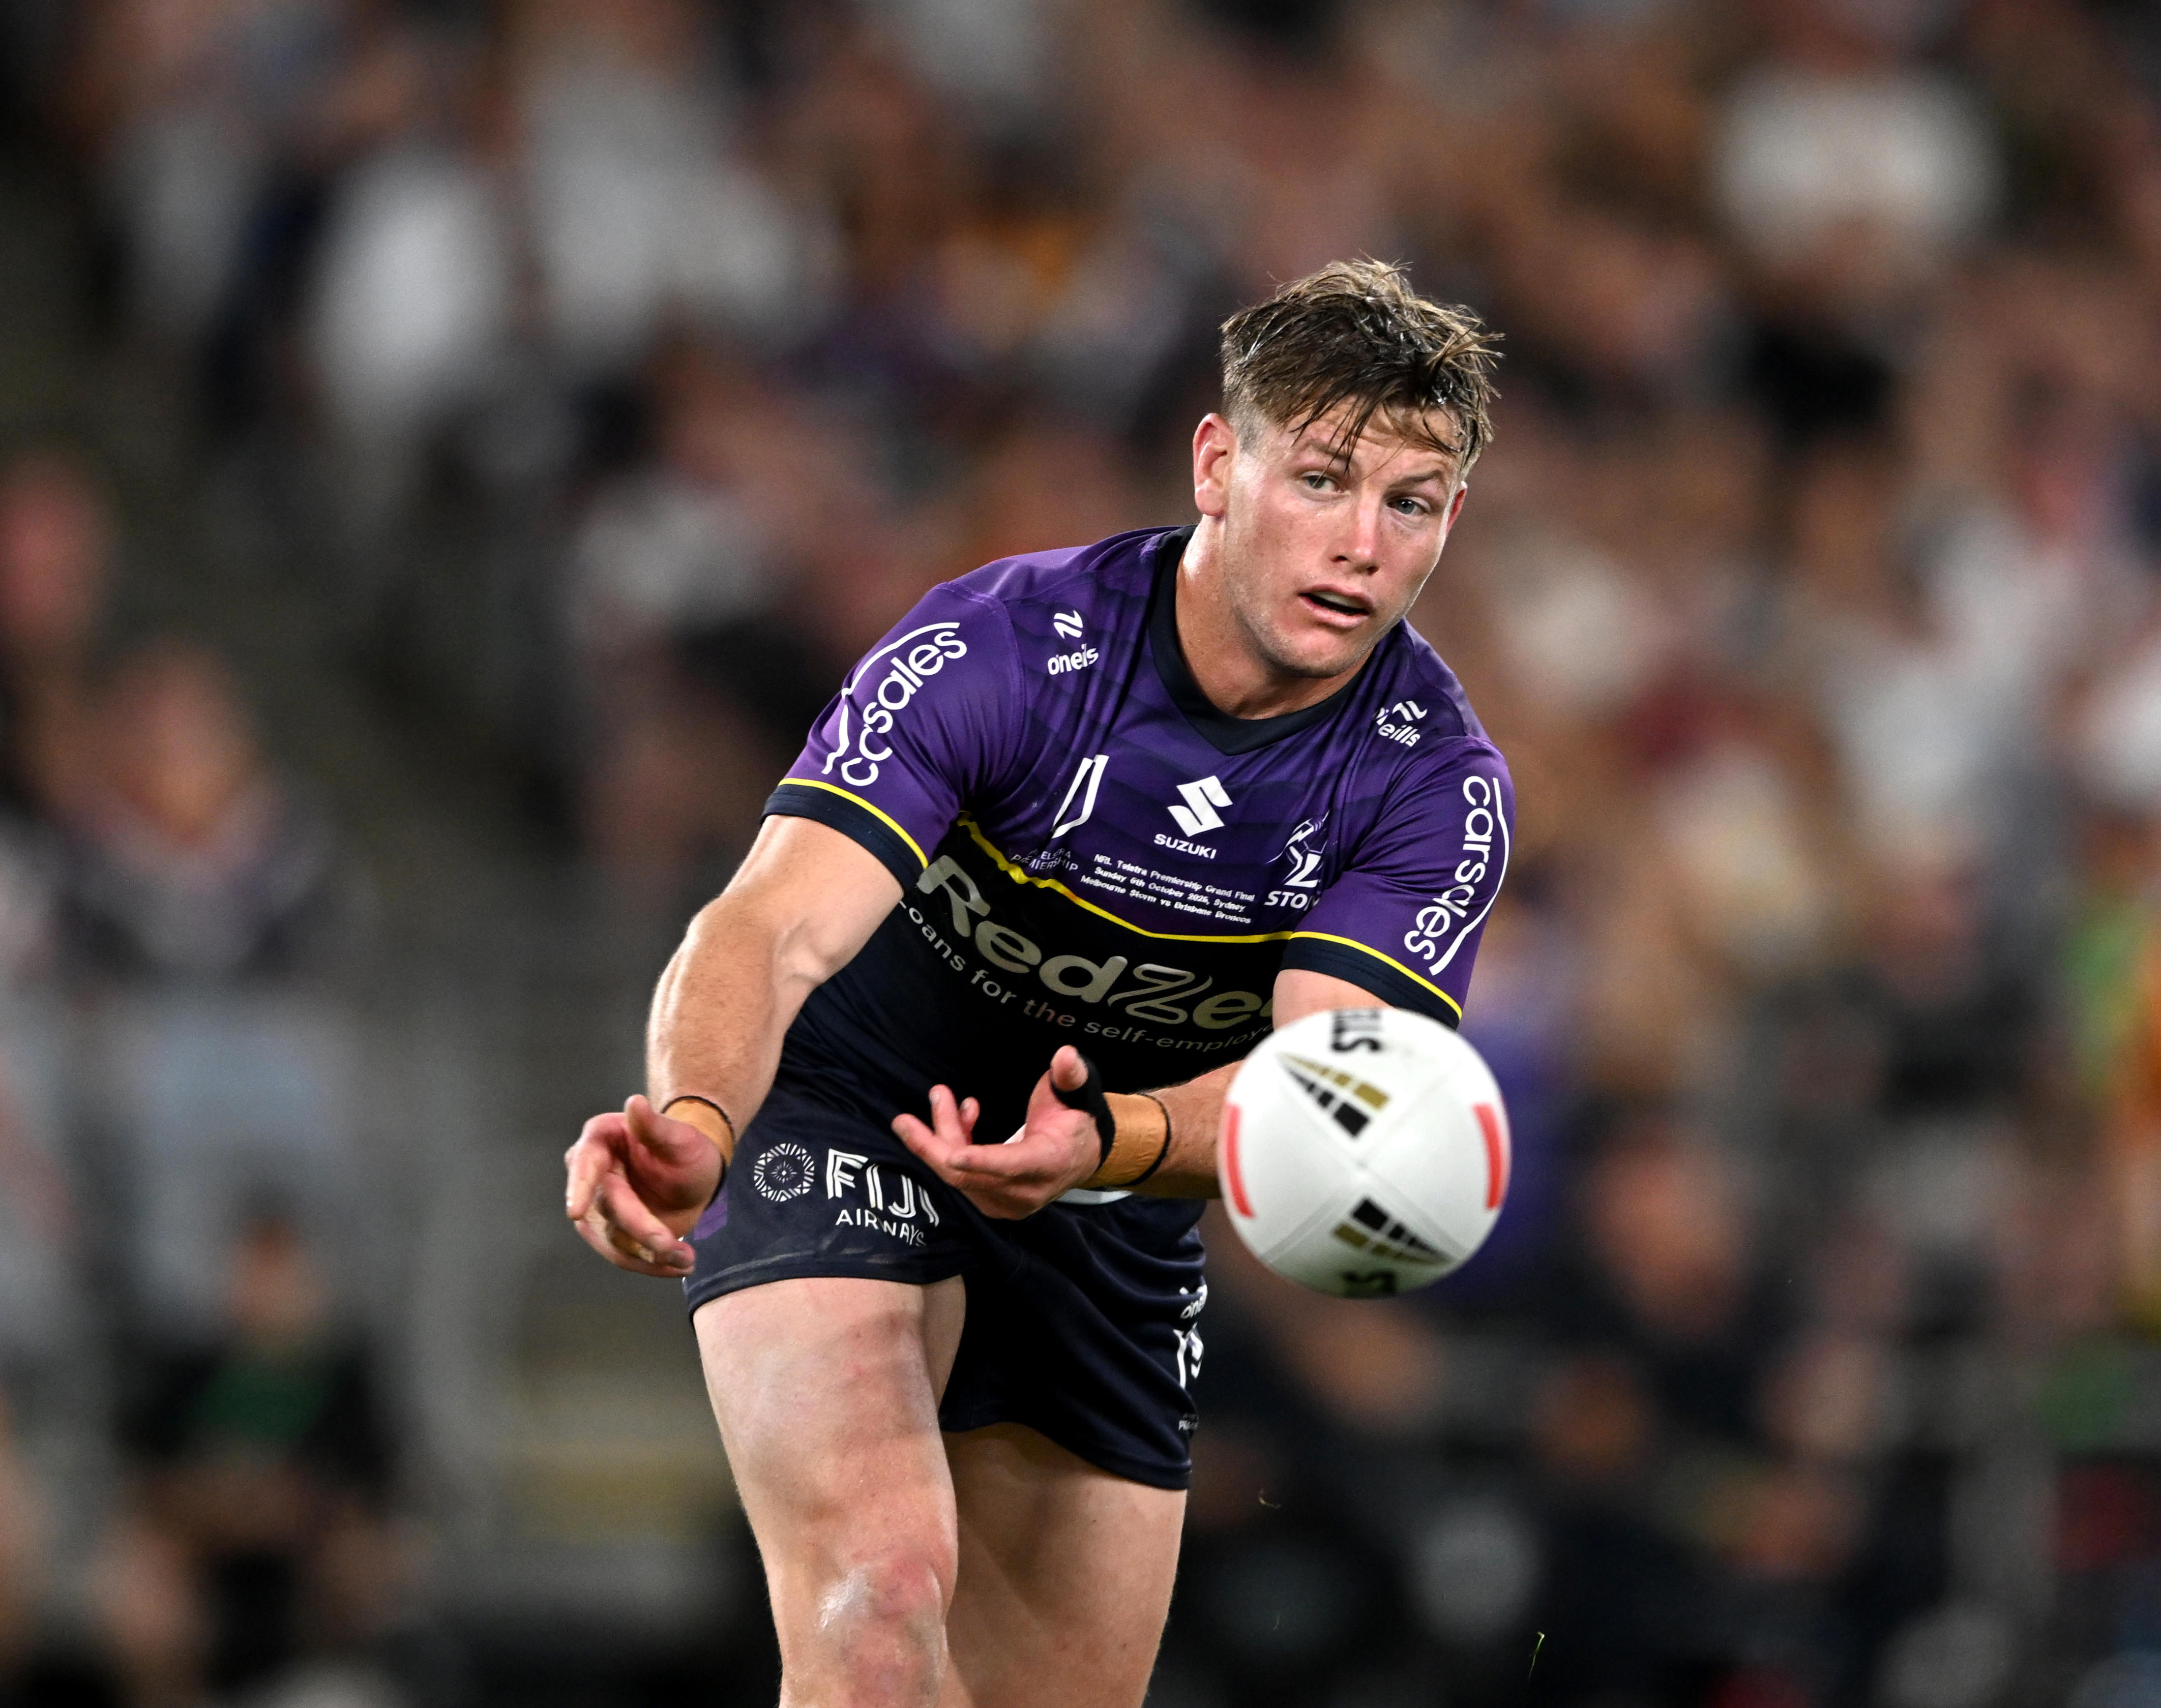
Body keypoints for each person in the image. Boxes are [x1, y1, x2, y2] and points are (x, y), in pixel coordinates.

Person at [564, 259, 1512, 1708]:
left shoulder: (1429, 792)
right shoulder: (1008, 648)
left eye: (1411, 503)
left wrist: (1111, 1146)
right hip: (848, 1109)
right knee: (876, 1605)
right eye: (1320, 480)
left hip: (1110, 1207)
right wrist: (694, 1118)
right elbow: (770, 928)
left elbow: (1316, 1104)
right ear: (1216, 462)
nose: (1361, 545)